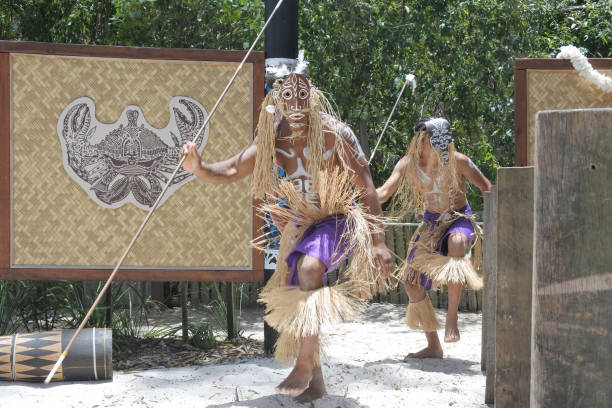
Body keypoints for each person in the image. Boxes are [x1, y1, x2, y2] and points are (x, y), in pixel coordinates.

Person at [181, 65, 393, 402]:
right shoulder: (272, 136)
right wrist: (199, 168)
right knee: (299, 297)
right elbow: (236, 167)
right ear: (276, 100)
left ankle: (305, 364)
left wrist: (379, 241)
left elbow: (365, 185)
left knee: (309, 270)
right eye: (287, 96)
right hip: (301, 226)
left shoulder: (334, 133)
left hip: (339, 218)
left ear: (313, 94)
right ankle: (317, 384)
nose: (295, 104)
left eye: (301, 94)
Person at [376, 117, 491, 359]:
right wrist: (360, 192)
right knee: (411, 282)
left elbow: (486, 187)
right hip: (431, 223)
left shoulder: (459, 162)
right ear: (422, 139)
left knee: (457, 243)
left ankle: (452, 316)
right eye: (432, 140)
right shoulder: (408, 164)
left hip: (459, 218)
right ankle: (433, 345)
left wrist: (497, 221)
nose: (440, 144)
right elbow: (384, 193)